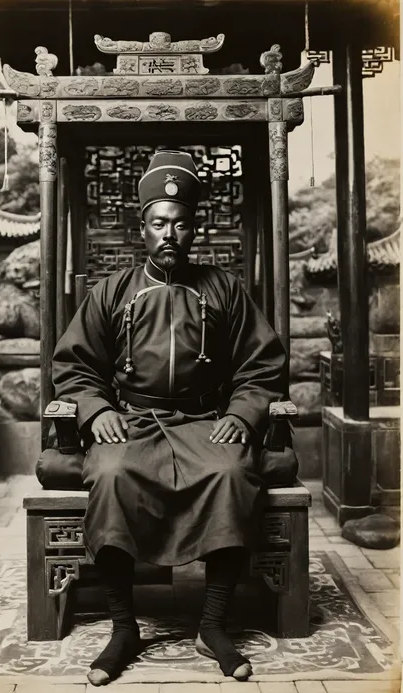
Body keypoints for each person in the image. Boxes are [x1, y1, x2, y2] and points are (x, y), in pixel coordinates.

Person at [52, 149, 287, 685]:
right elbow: (75, 366)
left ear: (194, 228)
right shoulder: (112, 291)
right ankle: (123, 626)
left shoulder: (223, 288)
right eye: (159, 223)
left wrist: (244, 414)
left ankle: (212, 624)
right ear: (143, 228)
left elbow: (263, 364)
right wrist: (96, 410)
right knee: (110, 475)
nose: (169, 234)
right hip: (133, 422)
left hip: (207, 422)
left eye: (180, 224)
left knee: (230, 473)